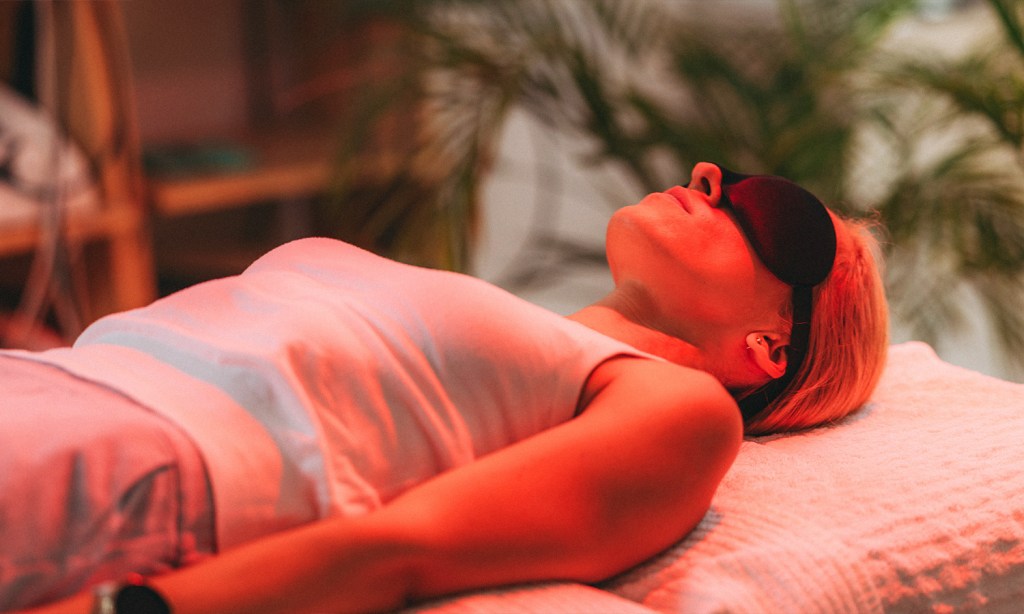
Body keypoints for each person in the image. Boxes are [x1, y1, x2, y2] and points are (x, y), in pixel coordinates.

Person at [8, 162, 888, 613]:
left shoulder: (682, 411)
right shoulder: (517, 330)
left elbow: (405, 546)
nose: (710, 180)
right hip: (51, 386)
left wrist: (132, 611)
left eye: (775, 216)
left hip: (128, 457)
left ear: (772, 346)